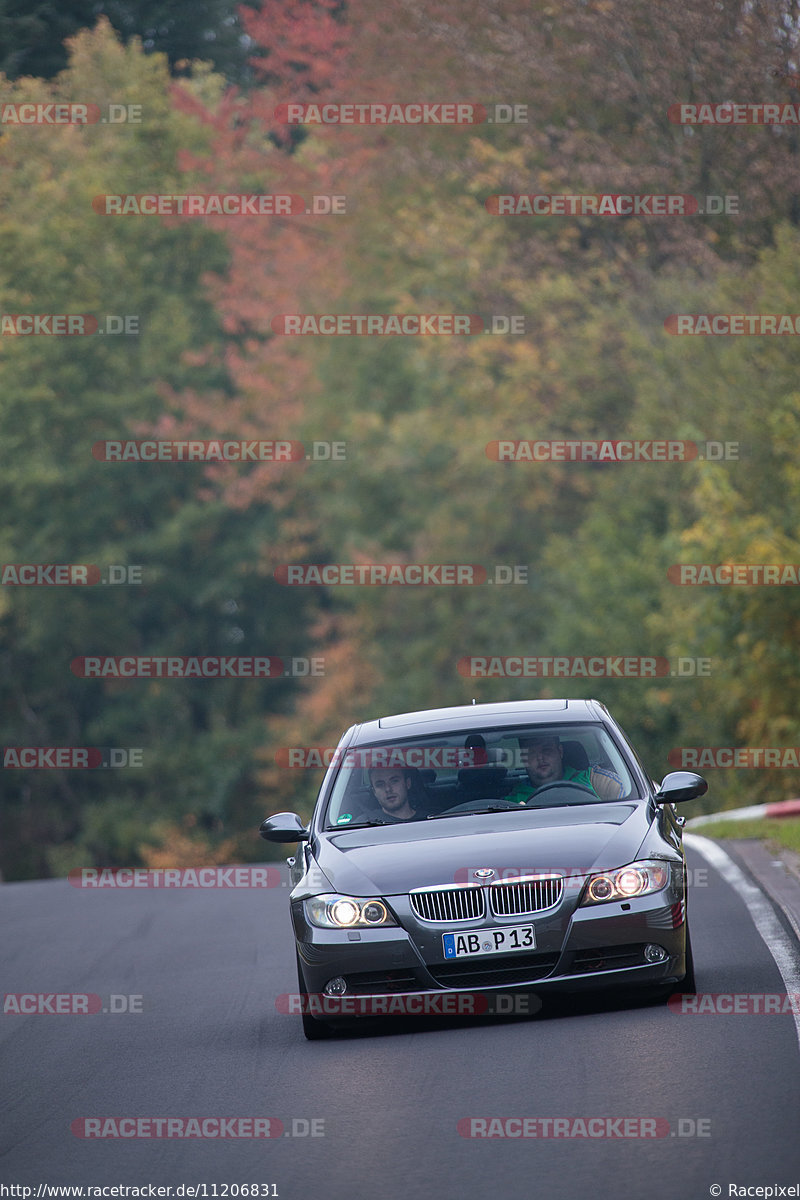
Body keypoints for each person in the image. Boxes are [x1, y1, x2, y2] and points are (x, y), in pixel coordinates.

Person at [504, 733, 625, 803]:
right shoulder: (512, 801)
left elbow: (631, 801)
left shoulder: (595, 780)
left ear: (560, 752)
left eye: (547, 750)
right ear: (524, 759)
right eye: (532, 753)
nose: (540, 757)